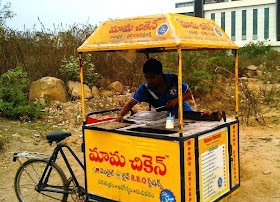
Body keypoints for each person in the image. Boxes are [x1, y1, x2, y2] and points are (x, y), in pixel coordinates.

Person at [116, 58, 193, 122]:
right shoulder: (145, 89)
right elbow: (130, 104)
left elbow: (189, 93)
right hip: (165, 119)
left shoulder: (174, 79)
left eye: (152, 77)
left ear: (160, 74)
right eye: (147, 78)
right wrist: (120, 115)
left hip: (185, 115)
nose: (149, 81)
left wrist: (176, 100)